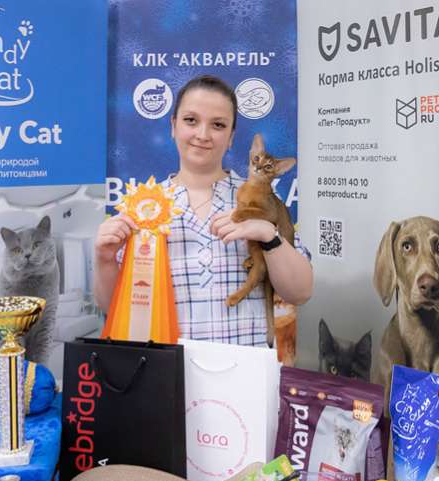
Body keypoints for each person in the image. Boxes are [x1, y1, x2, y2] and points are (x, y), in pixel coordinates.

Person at [94, 74, 313, 345]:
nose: (203, 135)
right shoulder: (144, 206)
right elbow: (112, 307)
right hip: (168, 366)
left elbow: (300, 292)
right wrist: (104, 258)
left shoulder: (262, 201)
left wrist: (269, 235)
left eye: (218, 125)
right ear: (173, 126)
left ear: (231, 137)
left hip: (245, 367)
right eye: (191, 120)